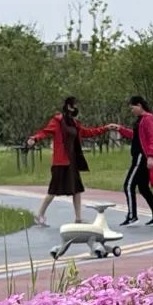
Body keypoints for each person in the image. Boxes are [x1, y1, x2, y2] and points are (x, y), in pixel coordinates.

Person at [26, 96, 110, 227]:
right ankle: (39, 214)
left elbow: (88, 132)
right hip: (61, 162)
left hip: (72, 162)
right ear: (68, 106)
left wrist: (106, 128)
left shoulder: (75, 123)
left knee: (77, 189)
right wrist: (34, 138)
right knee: (53, 190)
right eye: (74, 105)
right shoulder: (58, 121)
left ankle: (78, 218)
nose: (76, 108)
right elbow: (45, 131)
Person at [111, 96, 153, 226]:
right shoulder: (141, 120)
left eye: (132, 108)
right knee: (143, 187)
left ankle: (132, 216)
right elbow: (136, 136)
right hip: (138, 156)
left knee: (128, 185)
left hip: (141, 157)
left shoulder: (148, 119)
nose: (132, 111)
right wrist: (119, 128)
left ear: (139, 105)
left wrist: (151, 156)